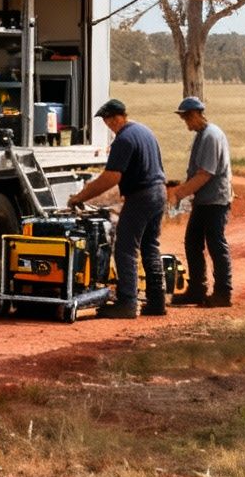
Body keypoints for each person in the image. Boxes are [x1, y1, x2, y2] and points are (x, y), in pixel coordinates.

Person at [66, 98, 169, 318]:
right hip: (159, 192)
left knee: (125, 247)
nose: (108, 125)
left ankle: (128, 302)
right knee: (150, 245)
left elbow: (112, 177)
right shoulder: (144, 131)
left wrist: (81, 196)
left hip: (141, 195)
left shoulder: (124, 139)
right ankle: (157, 301)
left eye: (108, 120)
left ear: (117, 117)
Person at [166, 96, 232, 308]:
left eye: (186, 118)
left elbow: (205, 174)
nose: (186, 122)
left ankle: (223, 292)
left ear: (195, 115)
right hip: (205, 201)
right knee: (192, 242)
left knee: (216, 245)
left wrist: (180, 193)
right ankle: (197, 289)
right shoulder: (203, 134)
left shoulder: (210, 136)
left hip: (215, 201)